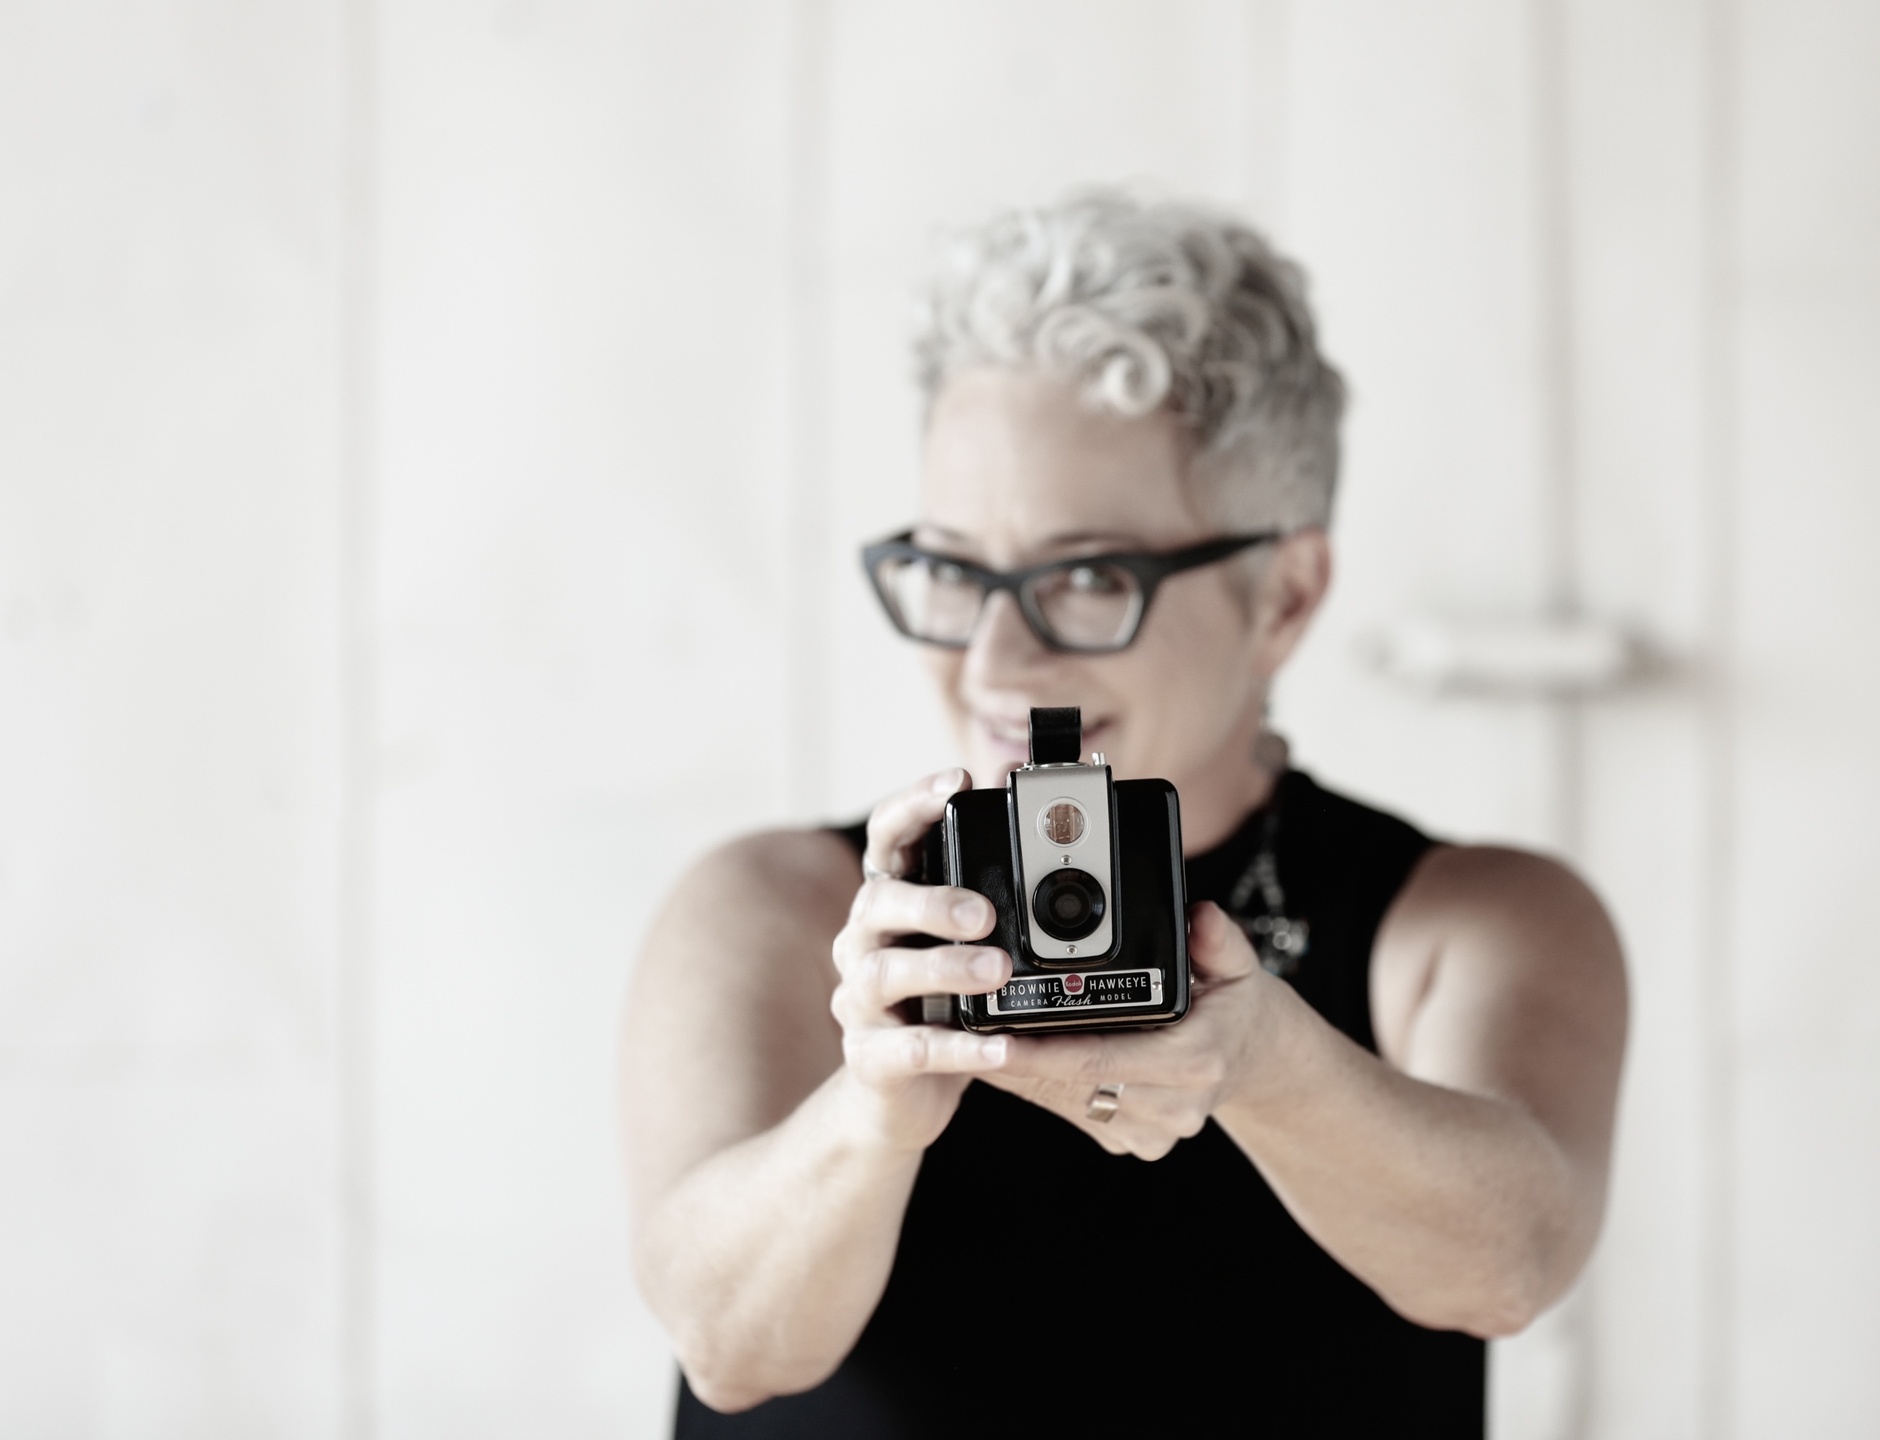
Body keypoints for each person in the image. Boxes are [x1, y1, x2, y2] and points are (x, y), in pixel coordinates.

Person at [618, 192, 1628, 1438]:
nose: (995, 661)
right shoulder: (776, 907)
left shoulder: (1471, 920)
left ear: (1285, 596)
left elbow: (1506, 1268)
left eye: (1089, 577)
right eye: (954, 569)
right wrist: (873, 1112)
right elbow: (726, 1347)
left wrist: (1269, 1065)